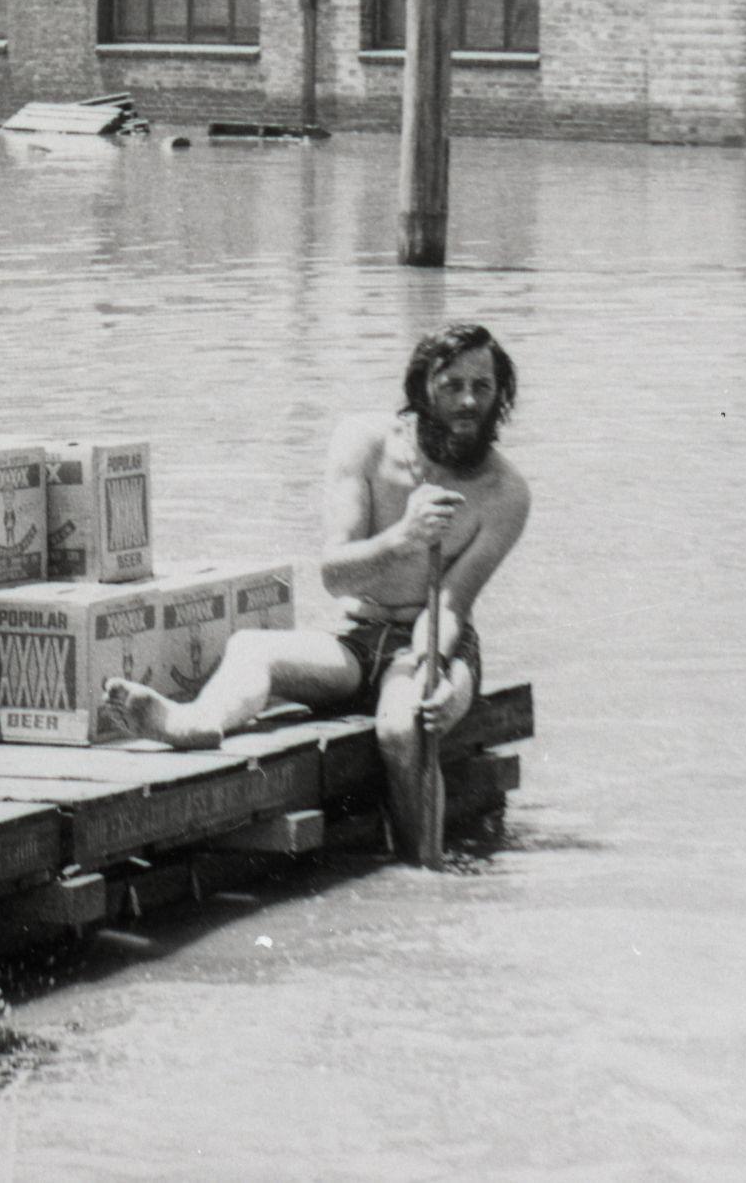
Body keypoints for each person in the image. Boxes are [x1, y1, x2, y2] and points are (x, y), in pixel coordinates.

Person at [103, 322, 532, 860]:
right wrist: (405, 538)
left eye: (483, 387)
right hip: (358, 637)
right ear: (422, 388)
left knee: (403, 729)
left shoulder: (505, 492)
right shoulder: (364, 443)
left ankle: (427, 874)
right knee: (253, 647)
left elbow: (450, 604)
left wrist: (432, 671)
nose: (469, 401)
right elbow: (335, 575)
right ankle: (195, 722)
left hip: (436, 641)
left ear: (501, 395)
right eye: (452, 385)